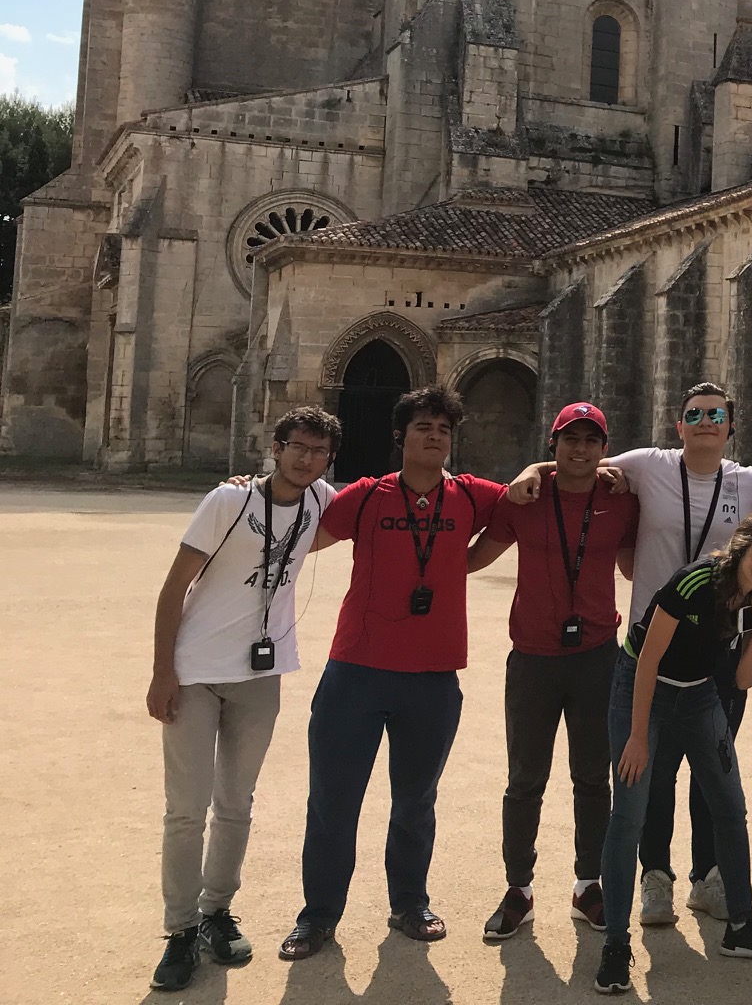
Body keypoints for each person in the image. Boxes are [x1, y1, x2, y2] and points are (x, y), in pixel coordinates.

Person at [510, 380, 752, 928]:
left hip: (719, 646)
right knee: (652, 769)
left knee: (712, 767)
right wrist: (532, 469)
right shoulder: (649, 465)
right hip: (653, 643)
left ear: (730, 425)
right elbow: (577, 463)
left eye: (716, 414)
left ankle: (708, 878)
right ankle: (656, 877)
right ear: (679, 426)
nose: (705, 421)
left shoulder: (748, 483)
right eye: (694, 414)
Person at [281, 385, 514, 960]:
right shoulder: (366, 496)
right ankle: (318, 916)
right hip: (356, 672)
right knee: (333, 802)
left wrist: (466, 561)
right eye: (422, 428)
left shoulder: (471, 495)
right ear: (399, 436)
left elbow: (523, 506)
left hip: (432, 677)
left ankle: (410, 903)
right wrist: (253, 491)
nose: (434, 437)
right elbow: (299, 535)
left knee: (415, 802)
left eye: (443, 429)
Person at [146, 407, 341, 990]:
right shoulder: (227, 502)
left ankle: (216, 911)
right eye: (298, 446)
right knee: (187, 809)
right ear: (276, 447)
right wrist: (162, 672)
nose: (307, 458)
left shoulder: (321, 501)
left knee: (236, 803)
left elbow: (385, 499)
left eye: (319, 451)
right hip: (197, 670)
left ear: (329, 460)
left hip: (261, 675)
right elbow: (173, 588)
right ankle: (180, 929)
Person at [596, 507, 752, 992]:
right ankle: (616, 944)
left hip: (700, 693)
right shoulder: (695, 581)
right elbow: (648, 659)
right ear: (742, 546)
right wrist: (638, 737)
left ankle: (741, 926)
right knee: (629, 815)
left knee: (730, 807)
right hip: (642, 687)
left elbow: (744, 679)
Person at [468, 401, 639, 941]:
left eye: (591, 441)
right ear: (553, 445)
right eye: (570, 439)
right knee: (525, 780)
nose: (580, 449)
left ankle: (588, 885)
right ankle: (518, 890)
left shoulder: (621, 500)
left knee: (592, 777)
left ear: (604, 450)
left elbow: (638, 563)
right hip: (534, 657)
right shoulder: (524, 497)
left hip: (596, 656)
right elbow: (475, 557)